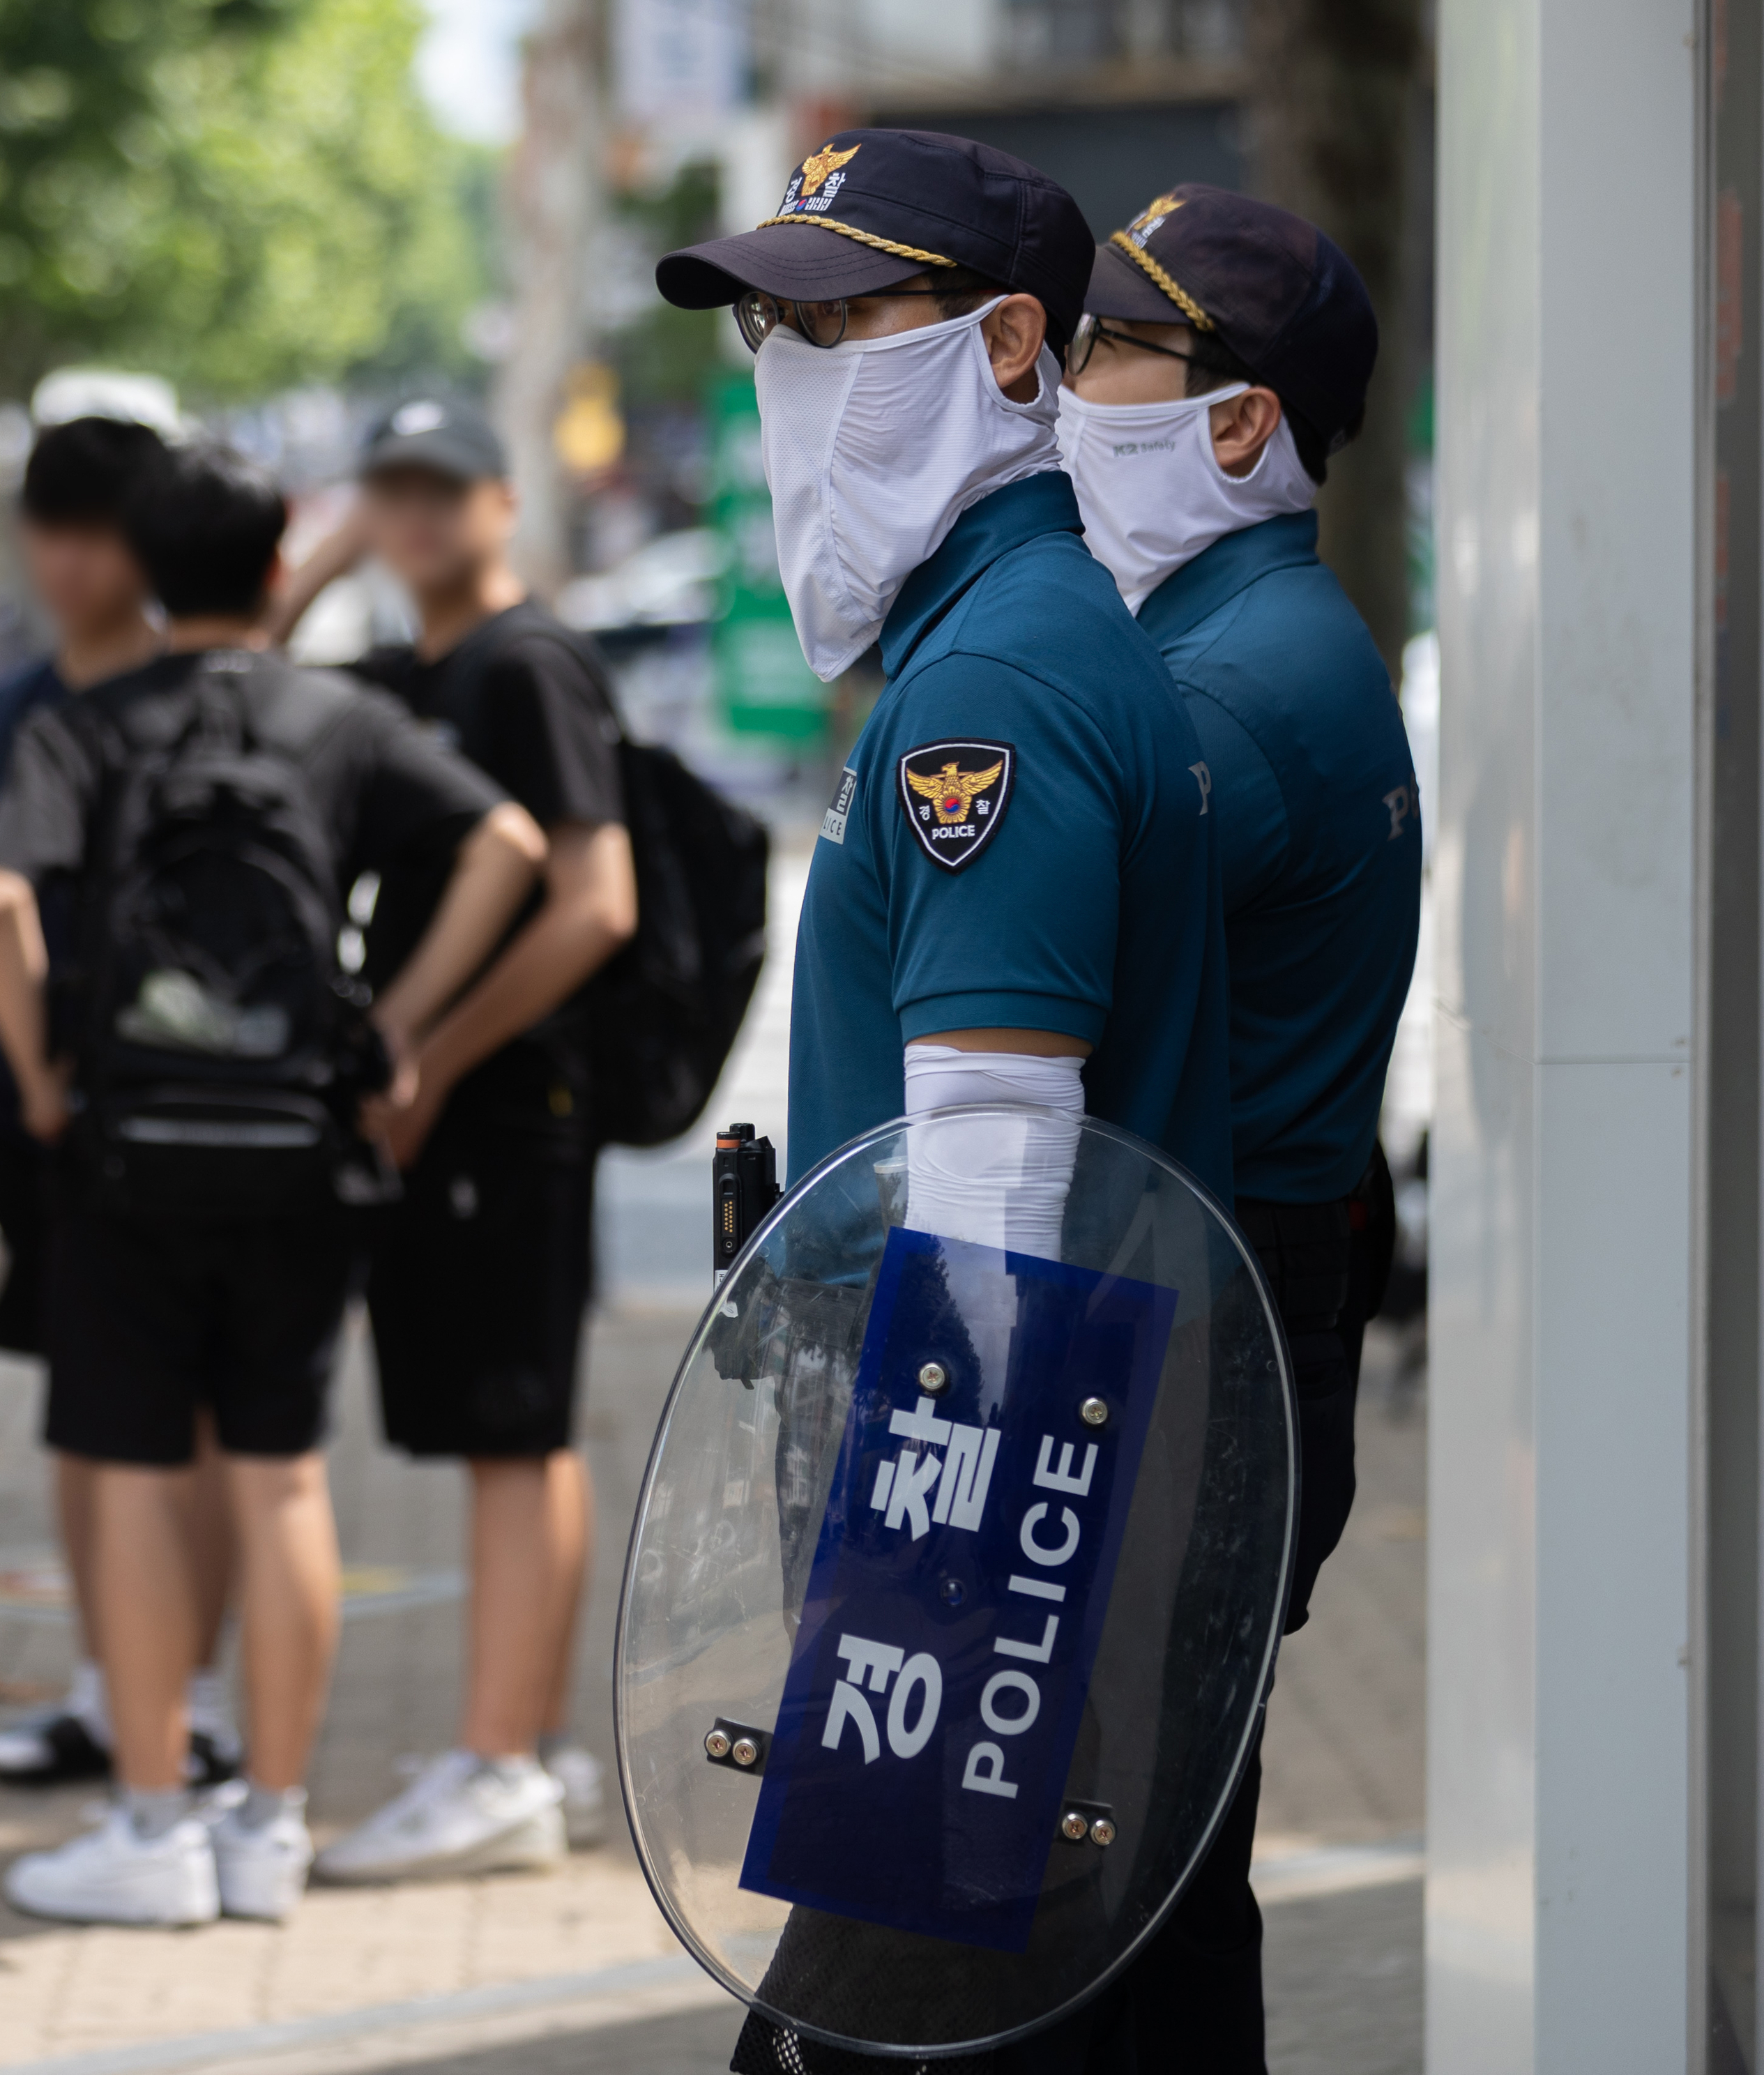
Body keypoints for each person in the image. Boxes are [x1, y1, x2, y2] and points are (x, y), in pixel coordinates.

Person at [652, 129, 1236, 2070]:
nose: (788, 368)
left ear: (1007, 349)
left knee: (874, 2039)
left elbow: (991, 1181)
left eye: (840, 316)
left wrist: (921, 1622)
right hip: (1022, 1493)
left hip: (981, 1510)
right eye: (771, 325)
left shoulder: (995, 690)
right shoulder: (1009, 646)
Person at [0, 442, 548, 1925]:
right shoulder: (340, 719)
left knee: (143, 1479)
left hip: (128, 1154)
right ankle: (273, 1828)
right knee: (282, 1473)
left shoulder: (82, 723)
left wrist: (41, 1077)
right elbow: (507, 841)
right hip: (297, 1144)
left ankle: (152, 1825)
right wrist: (400, 1025)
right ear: (278, 555)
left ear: (144, 565)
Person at [1056, 184, 1415, 2070]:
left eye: (1115, 346)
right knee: (1160, 1877)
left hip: (1199, 1329)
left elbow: (1057, 1018)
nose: (1068, 379)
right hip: (1244, 1301)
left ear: (1241, 419)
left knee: (1106, 1888)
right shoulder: (1254, 635)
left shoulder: (1223, 690)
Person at [271, 397, 638, 1883]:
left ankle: (500, 1764)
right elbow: (244, 657)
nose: (412, 520)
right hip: (454, 1097)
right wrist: (333, 549)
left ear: (499, 501)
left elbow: (592, 899)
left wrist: (436, 1047)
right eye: (389, 492)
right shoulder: (406, 664)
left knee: (514, 1426)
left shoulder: (522, 664)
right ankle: (516, 1751)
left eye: (440, 492)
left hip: (507, 1104)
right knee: (497, 1424)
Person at [0, 413, 242, 1793]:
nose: (68, 563)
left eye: (98, 532)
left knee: (192, 1422)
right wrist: (26, 1081)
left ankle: (190, 1702)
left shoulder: (204, 697)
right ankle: (102, 1687)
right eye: (48, 528)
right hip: (44, 1111)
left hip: (186, 1110)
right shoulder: (6, 711)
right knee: (81, 1412)